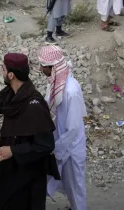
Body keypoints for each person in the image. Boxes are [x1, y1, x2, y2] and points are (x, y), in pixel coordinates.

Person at [0, 53, 59, 210]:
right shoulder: (11, 94)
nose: (2, 72)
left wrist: (13, 150)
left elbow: (45, 145)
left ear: (11, 74)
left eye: (3, 69)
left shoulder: (34, 105)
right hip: (10, 168)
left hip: (28, 172)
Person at [37, 46, 87, 210]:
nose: (40, 69)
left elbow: (73, 127)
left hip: (70, 147)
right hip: (60, 142)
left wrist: (57, 149)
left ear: (52, 67)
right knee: (64, 182)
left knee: (76, 188)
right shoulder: (55, 83)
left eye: (43, 65)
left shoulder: (70, 90)